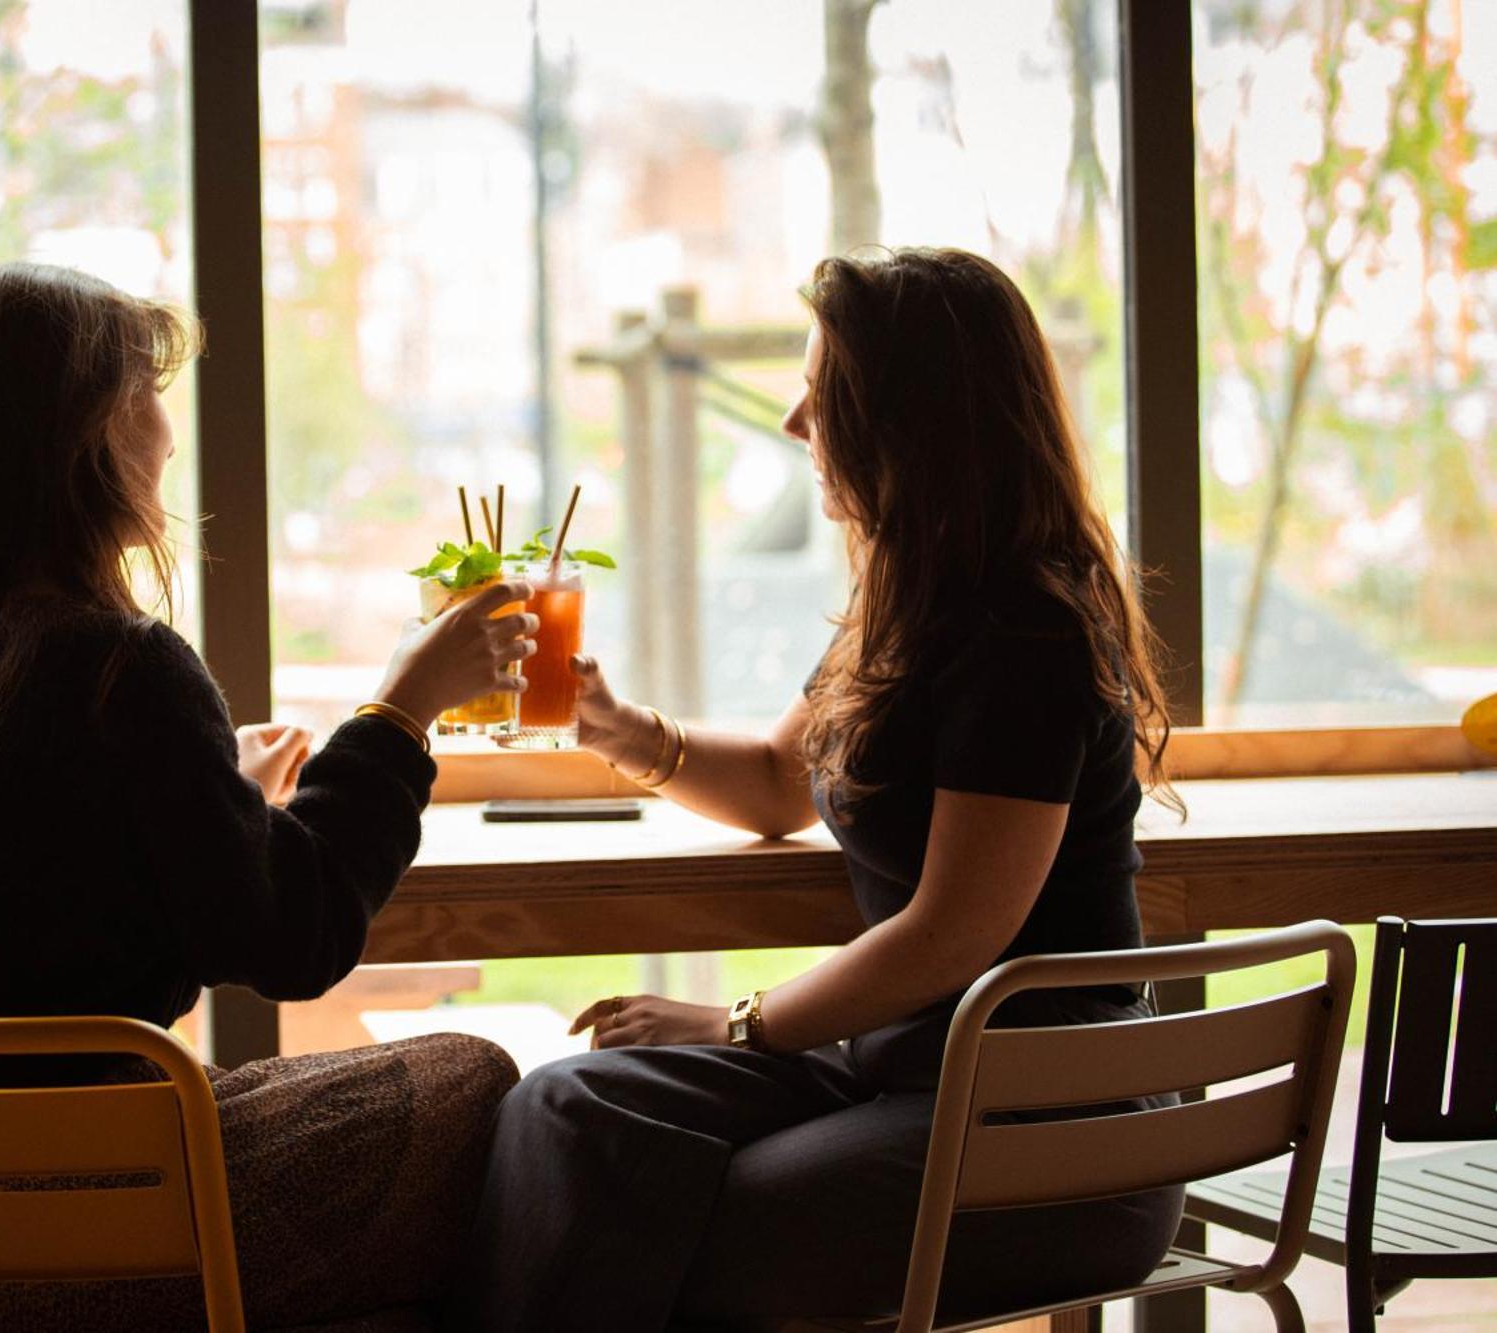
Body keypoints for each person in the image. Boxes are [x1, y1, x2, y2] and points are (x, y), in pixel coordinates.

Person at [444, 248, 1185, 1332]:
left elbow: (947, 936)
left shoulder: (1023, 632)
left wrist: (731, 1022)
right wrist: (615, 727)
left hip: (1050, 1118)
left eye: (820, 394)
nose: (795, 424)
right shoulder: (911, 602)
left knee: (693, 1218)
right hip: (910, 1073)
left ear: (911, 421)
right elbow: (775, 787)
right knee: (565, 1104)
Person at [0, 261, 535, 1332]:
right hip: (63, 1228)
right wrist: (403, 706)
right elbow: (294, 940)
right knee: (472, 1076)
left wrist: (216, 800)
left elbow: (43, 895)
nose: (168, 431)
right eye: (144, 396)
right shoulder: (119, 666)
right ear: (85, 435)